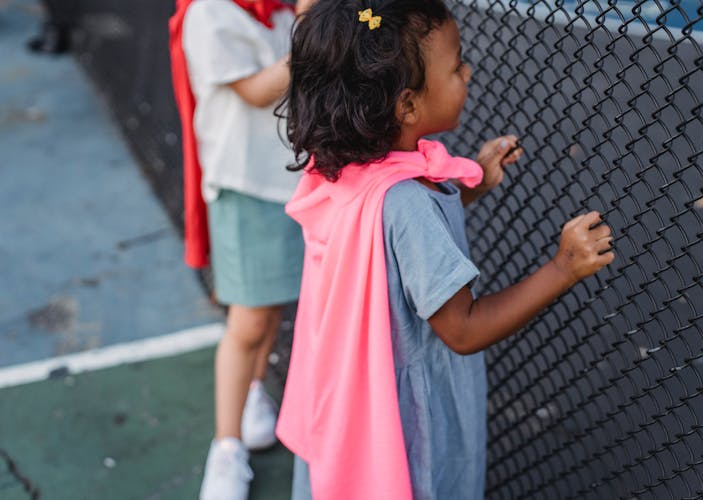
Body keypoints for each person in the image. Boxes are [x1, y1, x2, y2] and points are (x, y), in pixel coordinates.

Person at [274, 0, 616, 498]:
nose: (468, 72)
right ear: (407, 105)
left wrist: (468, 186)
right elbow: (462, 327)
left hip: (343, 394)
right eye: (456, 67)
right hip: (412, 413)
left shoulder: (336, 166)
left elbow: (385, 242)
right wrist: (562, 267)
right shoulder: (406, 204)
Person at [168, 0, 313, 498]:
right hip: (245, 186)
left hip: (290, 183)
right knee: (248, 320)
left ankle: (253, 392)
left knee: (269, 309)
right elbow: (255, 91)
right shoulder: (209, 12)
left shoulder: (277, 10)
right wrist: (312, 27)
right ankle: (225, 448)